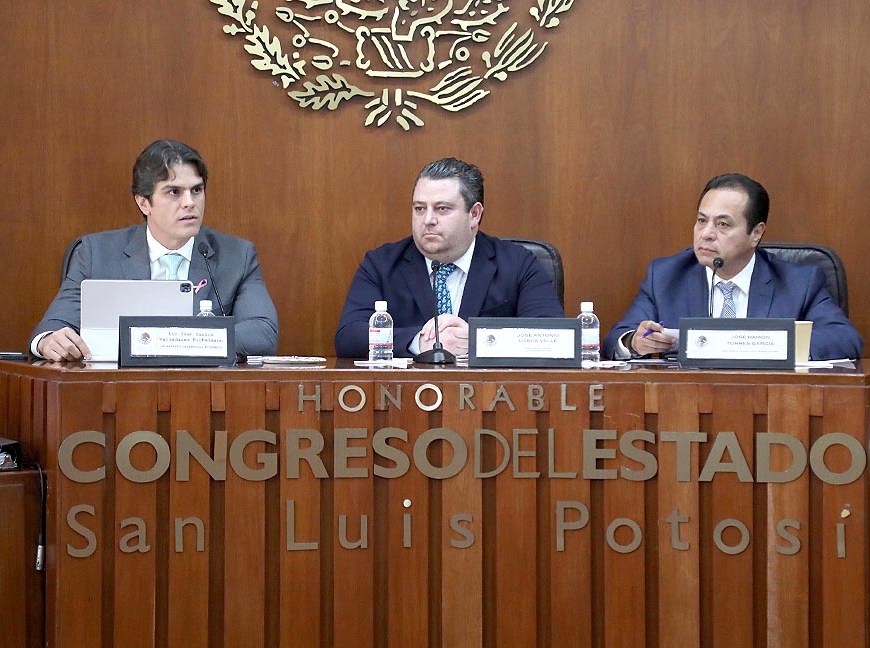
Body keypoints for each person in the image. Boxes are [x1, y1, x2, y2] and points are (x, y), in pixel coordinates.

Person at [31, 139, 279, 361]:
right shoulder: (96, 254)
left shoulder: (237, 256)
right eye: (174, 192)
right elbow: (52, 326)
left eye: (196, 190)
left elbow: (262, 332)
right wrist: (48, 341)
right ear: (143, 203)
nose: (190, 203)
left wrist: (174, 342)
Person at [603, 173, 863, 361]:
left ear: (756, 233)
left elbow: (845, 339)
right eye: (701, 221)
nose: (706, 234)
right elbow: (616, 339)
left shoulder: (798, 282)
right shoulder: (666, 276)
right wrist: (635, 342)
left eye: (723, 224)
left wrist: (759, 345)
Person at [334, 157, 564, 357]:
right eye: (420, 208)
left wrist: (479, 340)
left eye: (442, 208)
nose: (428, 220)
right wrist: (419, 342)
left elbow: (555, 338)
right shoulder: (381, 265)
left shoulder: (518, 264)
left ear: (474, 214)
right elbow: (348, 336)